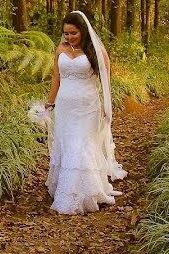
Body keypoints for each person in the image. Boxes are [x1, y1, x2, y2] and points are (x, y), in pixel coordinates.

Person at [43, 11, 126, 214]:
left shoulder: (95, 50)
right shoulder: (60, 49)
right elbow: (56, 77)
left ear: (83, 31)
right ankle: (66, 188)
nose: (69, 37)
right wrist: (49, 102)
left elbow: (106, 79)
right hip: (65, 106)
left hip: (87, 106)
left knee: (82, 145)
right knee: (68, 143)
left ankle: (85, 192)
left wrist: (107, 107)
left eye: (73, 33)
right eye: (66, 33)